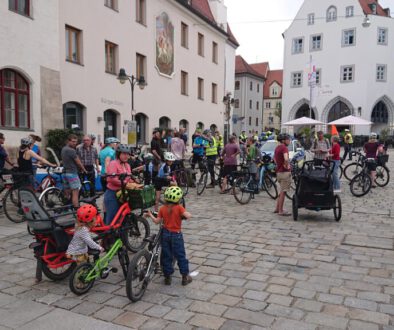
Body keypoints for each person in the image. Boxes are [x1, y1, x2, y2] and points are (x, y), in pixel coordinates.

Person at [144, 186, 192, 286]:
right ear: (178, 199)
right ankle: (185, 277)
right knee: (180, 256)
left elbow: (157, 221)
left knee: (166, 256)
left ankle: (167, 278)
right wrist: (185, 215)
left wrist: (150, 215)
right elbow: (188, 216)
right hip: (176, 236)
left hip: (165, 235)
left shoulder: (162, 209)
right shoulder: (179, 208)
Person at [104, 144, 142, 225]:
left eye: (127, 154)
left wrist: (135, 181)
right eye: (124, 154)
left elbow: (129, 178)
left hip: (123, 193)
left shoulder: (127, 165)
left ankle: (121, 235)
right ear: (118, 154)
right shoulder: (113, 163)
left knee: (123, 216)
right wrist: (125, 183)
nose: (126, 156)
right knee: (112, 217)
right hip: (113, 193)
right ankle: (108, 236)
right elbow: (110, 179)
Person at [61, 134, 87, 208]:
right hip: (72, 173)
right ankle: (77, 209)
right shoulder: (71, 150)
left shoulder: (63, 149)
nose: (75, 143)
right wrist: (84, 170)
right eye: (73, 141)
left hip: (64, 173)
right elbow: (78, 162)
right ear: (68, 141)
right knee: (75, 192)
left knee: (67, 192)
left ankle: (65, 207)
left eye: (76, 142)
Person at [274, 133, 291, 216]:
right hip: (284, 172)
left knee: (281, 191)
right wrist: (286, 165)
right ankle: (281, 210)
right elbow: (286, 158)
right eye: (288, 139)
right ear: (283, 140)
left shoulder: (277, 148)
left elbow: (274, 159)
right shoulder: (284, 148)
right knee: (283, 192)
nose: (289, 141)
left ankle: (277, 208)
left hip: (278, 172)